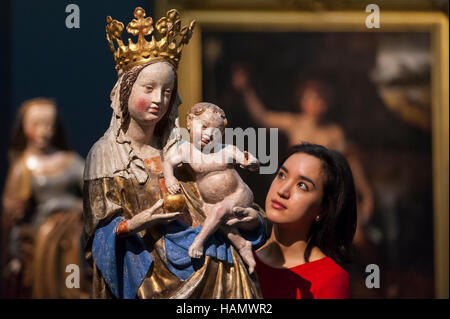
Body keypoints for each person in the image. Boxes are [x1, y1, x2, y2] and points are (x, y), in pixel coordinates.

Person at [83, 8, 267, 299]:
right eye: (149, 88)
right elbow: (97, 238)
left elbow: (234, 193)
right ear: (125, 90)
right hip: (146, 273)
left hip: (212, 259)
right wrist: (137, 222)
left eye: (167, 91)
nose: (158, 99)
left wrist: (251, 220)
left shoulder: (186, 144)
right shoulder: (105, 156)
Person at [232, 67, 373, 248]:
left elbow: (350, 165)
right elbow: (263, 117)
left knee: (350, 238)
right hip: (292, 191)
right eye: (309, 97)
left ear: (327, 102)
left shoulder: (334, 132)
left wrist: (366, 194)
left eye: (319, 98)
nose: (314, 103)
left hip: (320, 195)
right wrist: (246, 90)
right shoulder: (294, 123)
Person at [1, 97, 88, 298]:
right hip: (44, 237)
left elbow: (93, 187)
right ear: (25, 128)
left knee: (73, 267)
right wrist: (14, 254)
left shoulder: (68, 160)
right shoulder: (23, 167)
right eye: (37, 125)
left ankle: (73, 291)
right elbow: (13, 218)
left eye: (49, 125)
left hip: (74, 232)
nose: (44, 131)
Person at [163, 102, 260, 273]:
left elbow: (247, 159)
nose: (209, 134)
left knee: (220, 211)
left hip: (239, 194)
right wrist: (170, 178)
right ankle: (242, 244)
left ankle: (198, 242)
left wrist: (251, 163)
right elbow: (168, 162)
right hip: (210, 203)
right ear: (190, 123)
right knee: (217, 219)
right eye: (204, 126)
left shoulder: (226, 150)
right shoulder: (186, 151)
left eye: (215, 131)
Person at [254, 143, 357, 299]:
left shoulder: (330, 279)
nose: (282, 191)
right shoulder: (239, 258)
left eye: (302, 185)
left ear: (322, 209)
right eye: (282, 175)